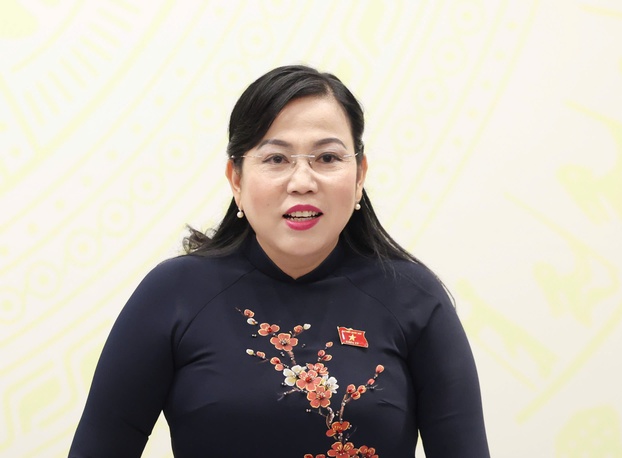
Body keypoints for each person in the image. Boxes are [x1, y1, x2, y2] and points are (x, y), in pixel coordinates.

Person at [69, 65, 490, 458]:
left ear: (360, 174)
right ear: (236, 178)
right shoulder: (174, 294)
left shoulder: (414, 299)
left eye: (327, 158)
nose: (302, 182)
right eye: (276, 159)